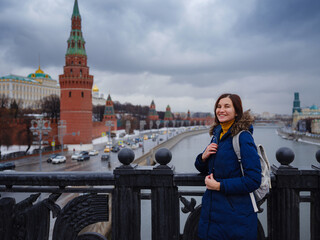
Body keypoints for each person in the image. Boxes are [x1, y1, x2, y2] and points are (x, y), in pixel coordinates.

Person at [195, 93, 261, 240]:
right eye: (218, 106)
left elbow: (254, 180)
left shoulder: (243, 137)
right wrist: (203, 157)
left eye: (227, 106)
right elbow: (205, 168)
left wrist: (219, 185)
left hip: (235, 219)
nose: (221, 110)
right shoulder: (217, 134)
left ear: (237, 111)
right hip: (212, 216)